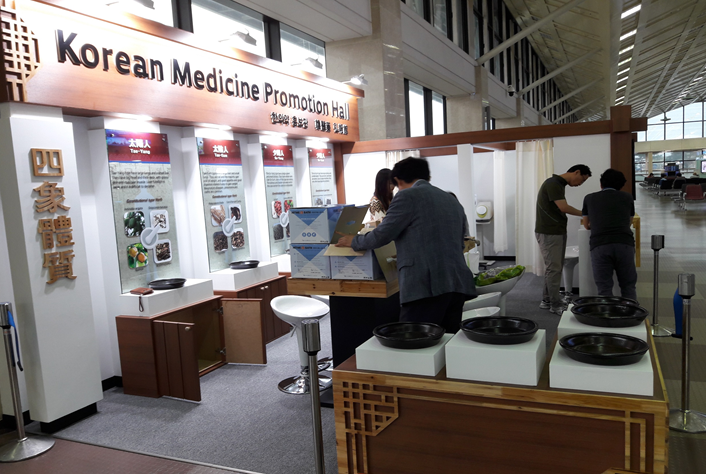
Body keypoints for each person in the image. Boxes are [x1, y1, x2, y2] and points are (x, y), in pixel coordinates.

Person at [336, 157, 476, 332]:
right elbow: (458, 240)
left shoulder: (407, 196)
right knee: (447, 339)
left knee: (414, 340)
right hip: (456, 283)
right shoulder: (450, 199)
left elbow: (383, 234)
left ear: (398, 180)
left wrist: (354, 241)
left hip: (425, 286)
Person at [535, 164, 592, 315]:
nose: (580, 184)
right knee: (554, 269)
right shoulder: (553, 184)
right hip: (549, 232)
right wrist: (585, 214)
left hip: (555, 230)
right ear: (576, 172)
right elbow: (563, 207)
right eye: (582, 180)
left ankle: (547, 300)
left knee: (554, 268)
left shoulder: (558, 184)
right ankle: (555, 304)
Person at [581, 169, 637, 301]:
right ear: (621, 185)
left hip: (600, 245)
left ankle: (607, 312)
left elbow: (586, 225)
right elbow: (629, 222)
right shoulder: (627, 197)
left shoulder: (589, 198)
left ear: (601, 184)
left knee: (604, 288)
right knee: (628, 286)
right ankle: (630, 311)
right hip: (624, 244)